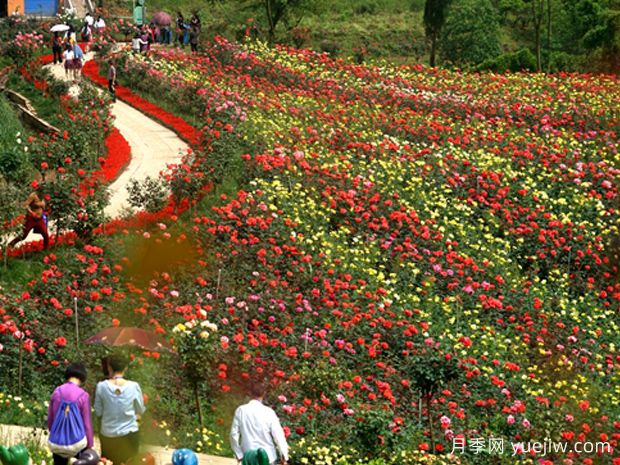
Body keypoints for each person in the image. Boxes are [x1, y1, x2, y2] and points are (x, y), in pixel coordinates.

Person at [94, 354, 146, 465]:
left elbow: (98, 412)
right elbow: (140, 409)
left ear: (109, 368)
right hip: (129, 434)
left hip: (108, 435)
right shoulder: (134, 386)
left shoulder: (101, 386)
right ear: (126, 368)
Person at [230, 383, 289, 465]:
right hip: (268, 457)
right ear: (264, 394)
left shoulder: (241, 410)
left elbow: (233, 435)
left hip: (248, 457)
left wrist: (239, 454)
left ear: (250, 393)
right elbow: (278, 436)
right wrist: (284, 456)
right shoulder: (269, 412)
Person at [47, 363, 94, 465]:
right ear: (83, 377)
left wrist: (55, 432)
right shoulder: (83, 395)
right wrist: (89, 445)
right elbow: (87, 424)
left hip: (58, 442)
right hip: (77, 444)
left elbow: (51, 418)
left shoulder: (57, 392)